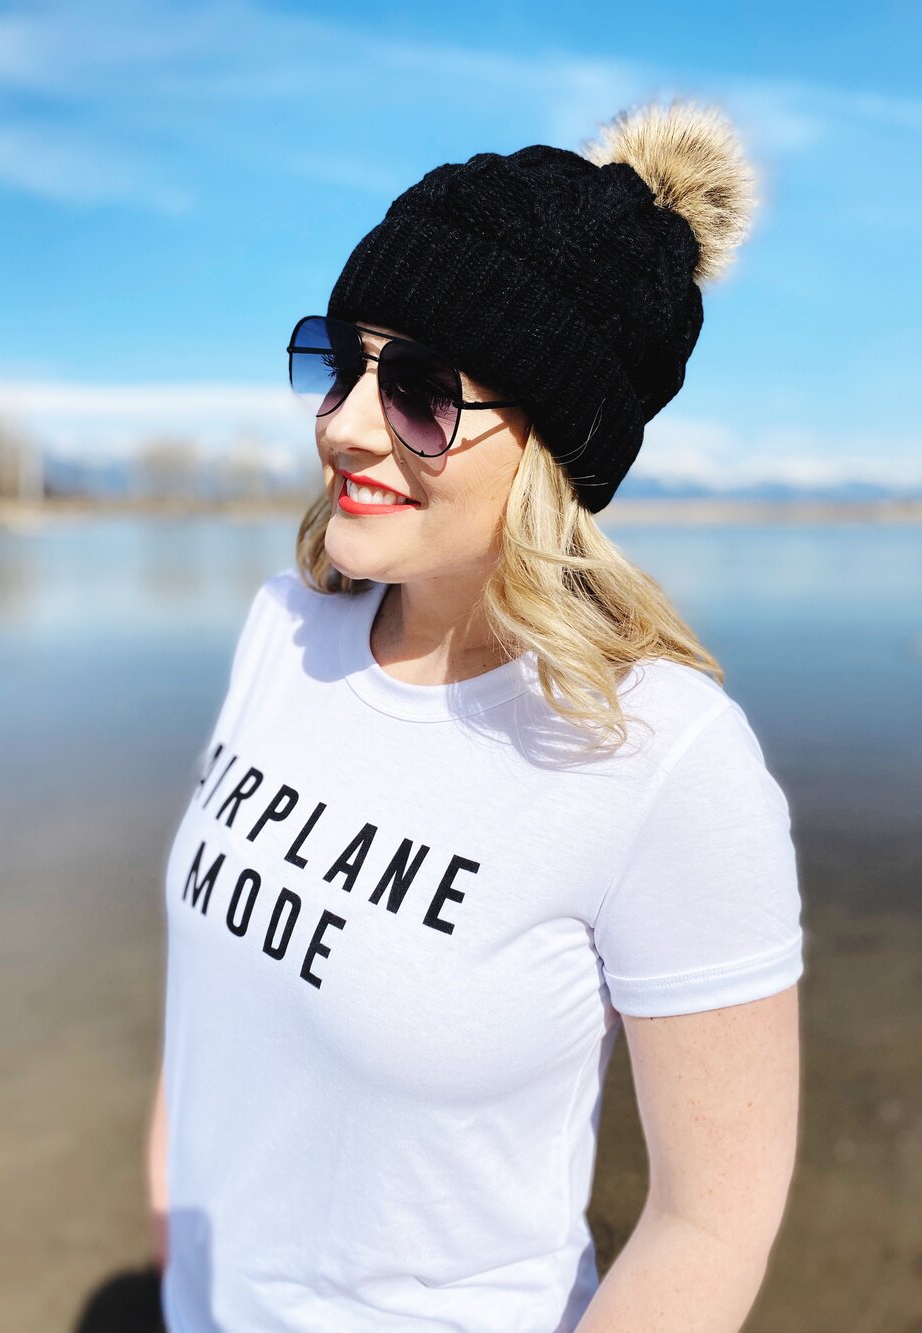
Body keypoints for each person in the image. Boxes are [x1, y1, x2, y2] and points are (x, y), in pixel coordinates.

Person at [145, 98, 805, 1333]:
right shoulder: (282, 631)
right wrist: (173, 1220)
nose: (344, 423)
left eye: (421, 390)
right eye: (343, 361)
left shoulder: (659, 757)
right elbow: (216, 1006)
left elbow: (710, 1223)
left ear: (553, 453)